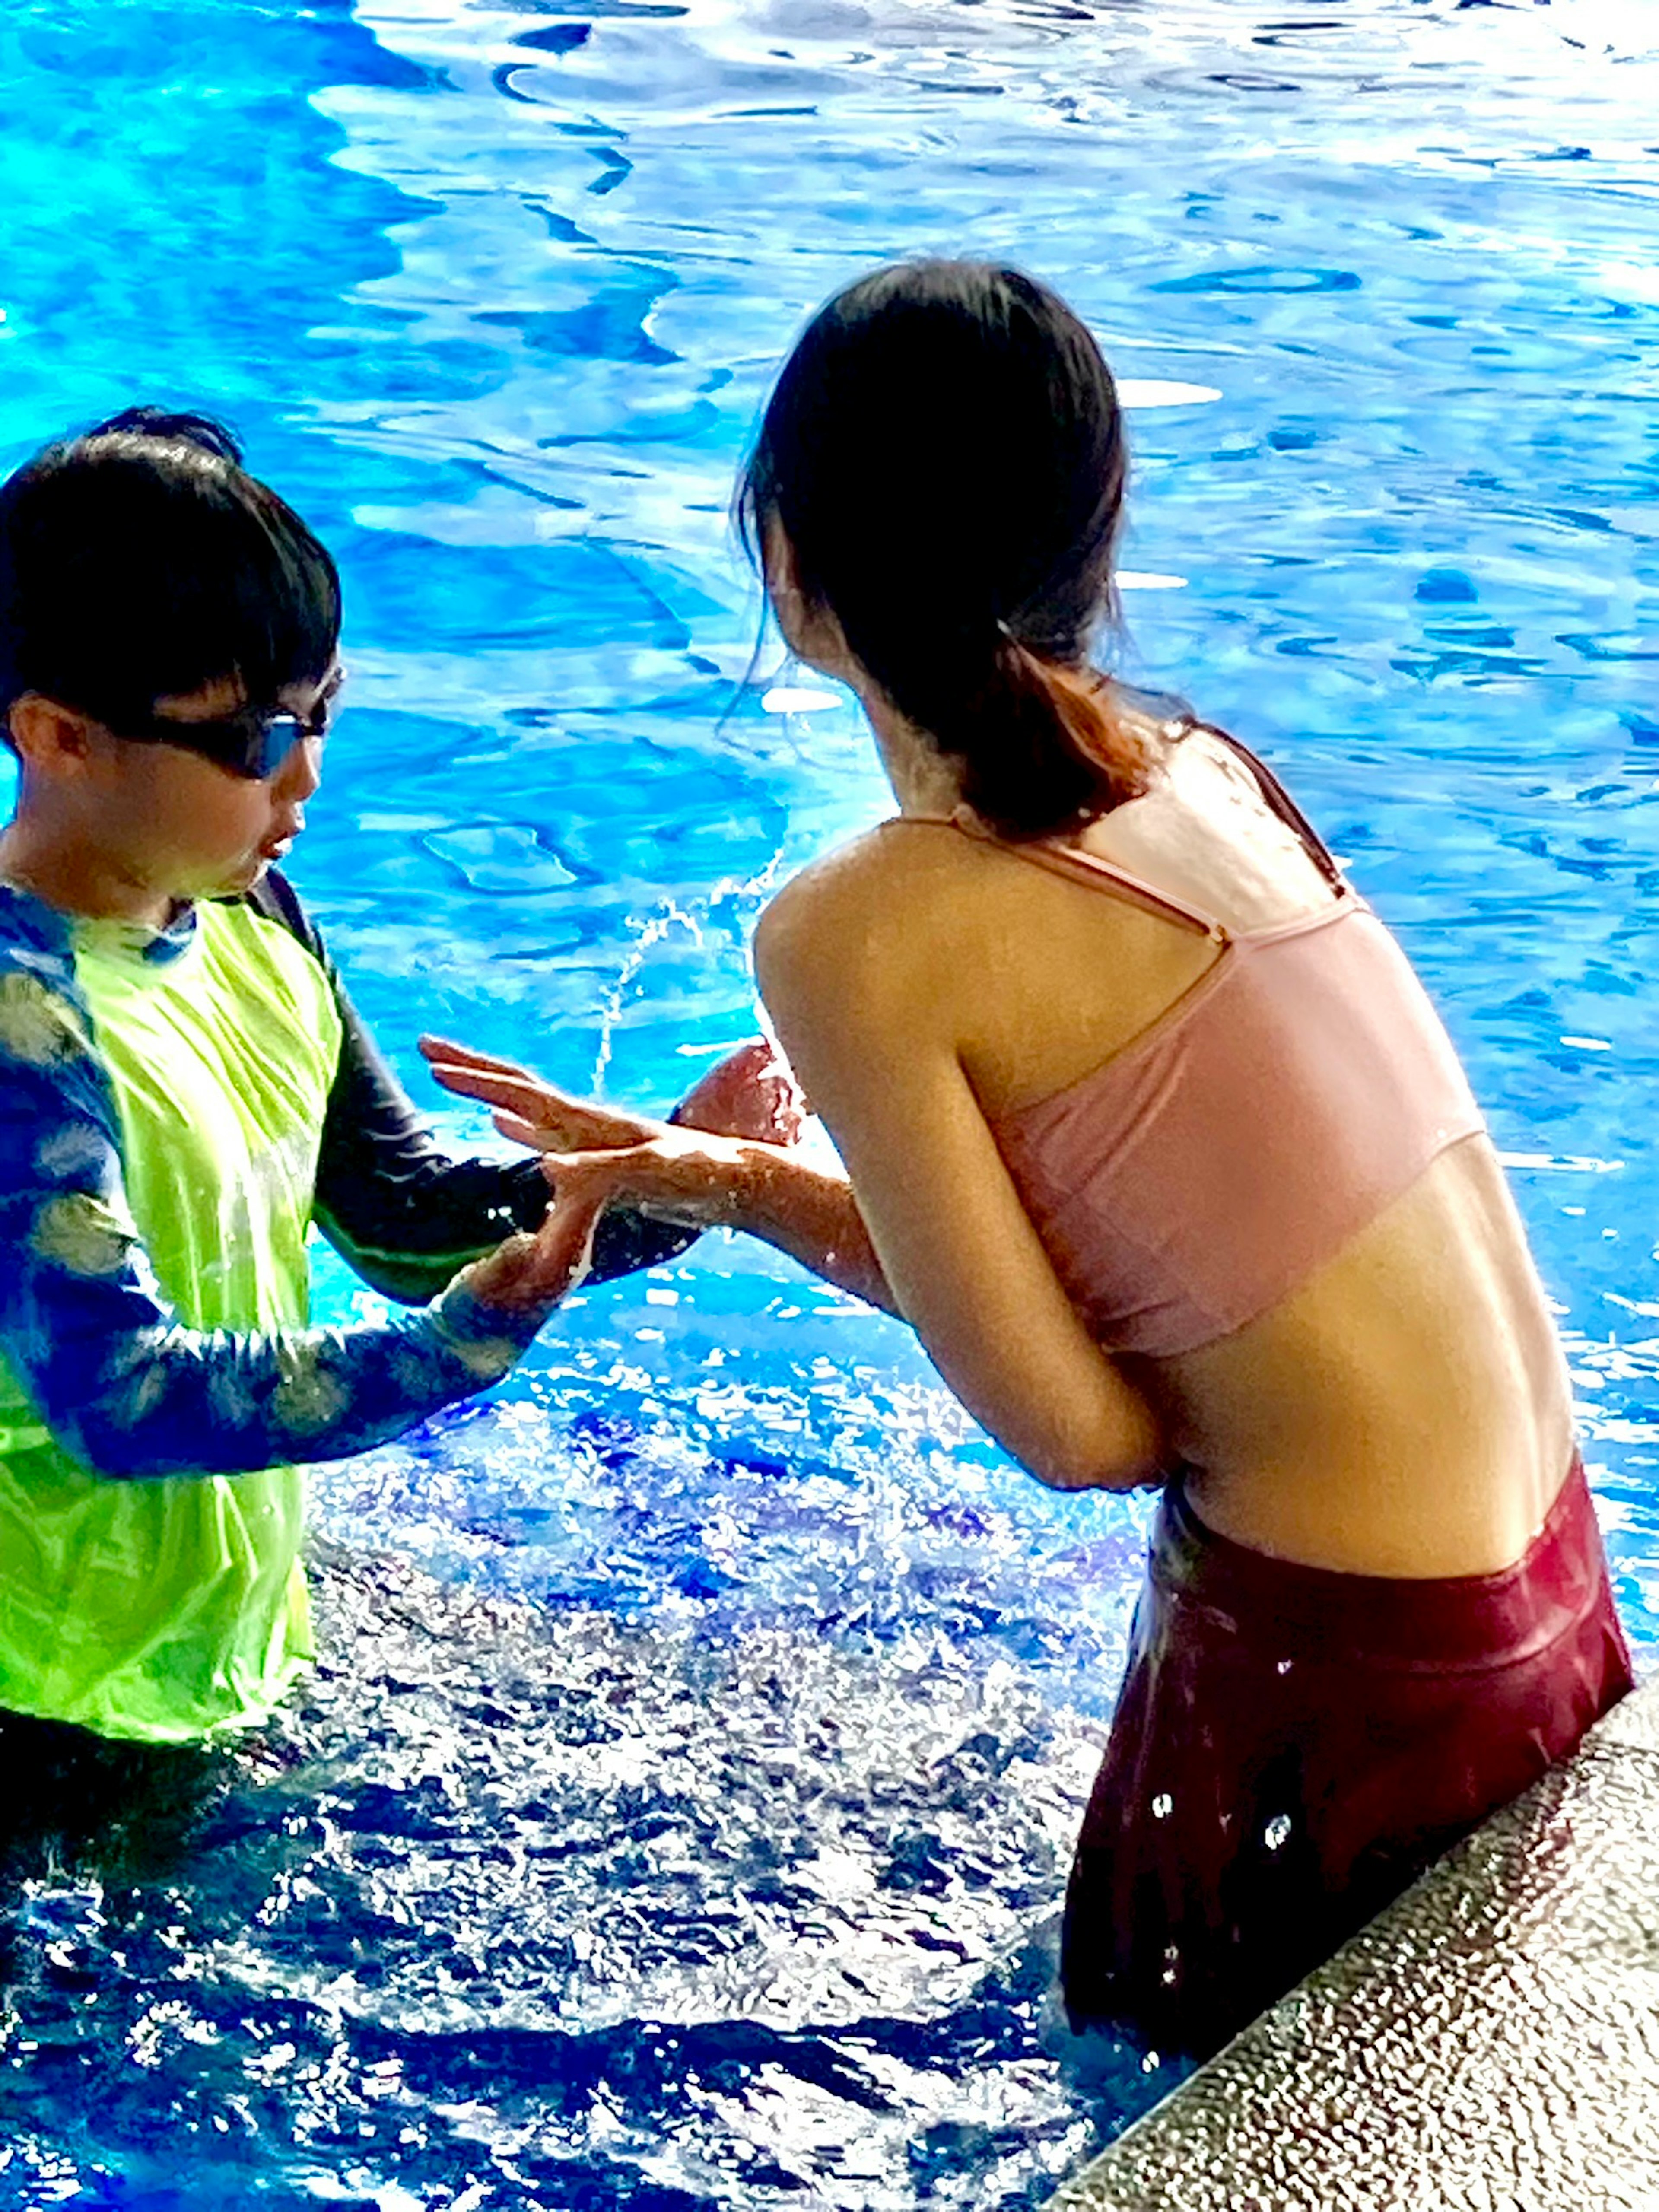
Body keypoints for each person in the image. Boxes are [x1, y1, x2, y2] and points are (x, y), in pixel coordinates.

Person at [423, 261, 1634, 2056]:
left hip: (1355, 1672)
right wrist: (725, 1173)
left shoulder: (860, 929)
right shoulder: (1204, 771)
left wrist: (731, 1183)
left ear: (791, 566)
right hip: (1549, 1586)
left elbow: (1089, 1432)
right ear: (1091, 537)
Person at [0, 406, 798, 1773]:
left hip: (226, 1654)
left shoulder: (255, 921)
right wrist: (446, 1358)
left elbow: (398, 1214)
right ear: (60, 736)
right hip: (44, 1715)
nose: (306, 773)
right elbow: (121, 1401)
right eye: (252, 742)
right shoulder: (22, 1026)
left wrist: (669, 1181)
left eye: (324, 711)